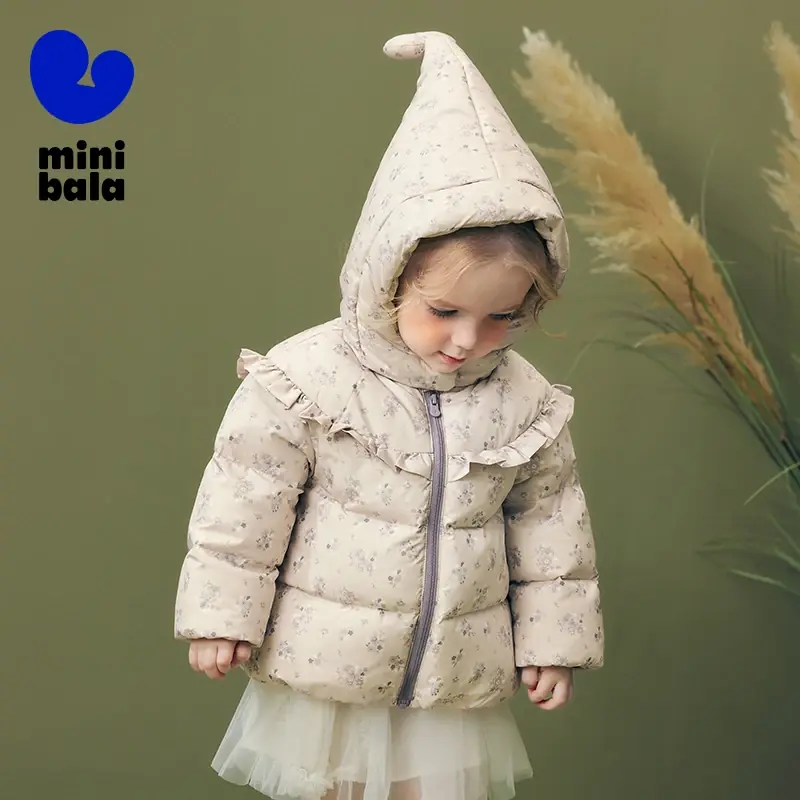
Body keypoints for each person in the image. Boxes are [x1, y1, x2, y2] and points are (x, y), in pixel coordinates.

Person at [174, 30, 604, 800]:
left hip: (451, 675)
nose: (467, 341)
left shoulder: (523, 401)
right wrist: (221, 616)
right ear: (388, 277)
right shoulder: (310, 378)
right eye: (444, 311)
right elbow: (246, 497)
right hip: (330, 665)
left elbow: (551, 526)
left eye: (503, 317)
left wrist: (553, 639)